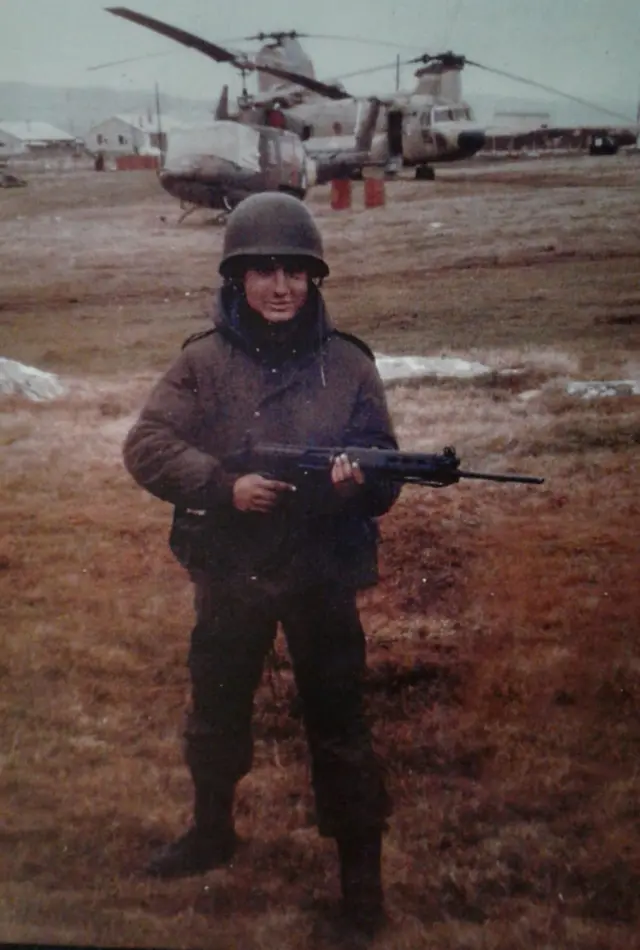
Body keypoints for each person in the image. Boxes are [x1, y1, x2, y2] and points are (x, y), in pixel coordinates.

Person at [122, 192, 400, 933]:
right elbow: (146, 445)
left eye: (296, 272)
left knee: (339, 723)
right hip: (231, 573)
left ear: (315, 281)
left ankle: (361, 890)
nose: (281, 286)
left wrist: (359, 483)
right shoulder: (201, 363)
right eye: (264, 270)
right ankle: (211, 831)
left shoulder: (348, 367)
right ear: (236, 279)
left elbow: (386, 472)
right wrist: (223, 486)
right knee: (216, 707)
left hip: (322, 572)